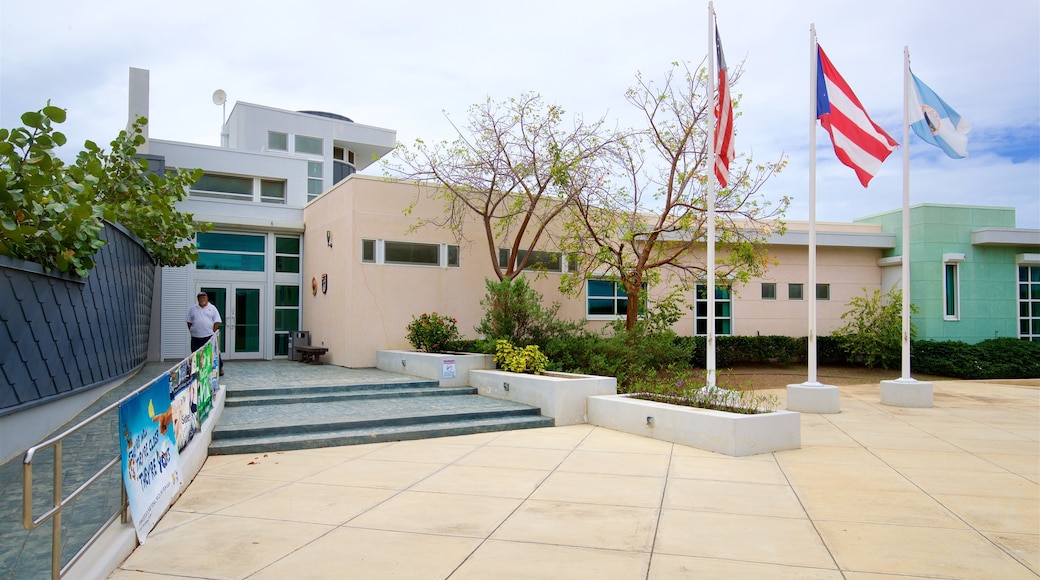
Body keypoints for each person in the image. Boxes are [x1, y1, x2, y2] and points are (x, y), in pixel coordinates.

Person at [186, 291, 224, 376]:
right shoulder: (193, 309)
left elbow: (217, 321)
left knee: (213, 352)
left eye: (204, 297)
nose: (202, 299)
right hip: (196, 336)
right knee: (195, 353)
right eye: (200, 298)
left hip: (208, 336)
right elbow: (189, 321)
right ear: (198, 299)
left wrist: (212, 330)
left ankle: (220, 368)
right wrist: (192, 330)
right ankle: (196, 370)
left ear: (207, 299)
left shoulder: (212, 308)